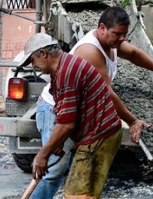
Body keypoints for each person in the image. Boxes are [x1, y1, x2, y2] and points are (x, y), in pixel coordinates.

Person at [30, 6, 153, 199]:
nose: (122, 39)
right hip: (55, 109)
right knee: (51, 170)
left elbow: (134, 54)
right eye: (118, 34)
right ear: (102, 28)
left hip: (74, 109)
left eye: (124, 35)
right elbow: (106, 93)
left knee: (68, 170)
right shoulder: (90, 51)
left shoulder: (112, 43)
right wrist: (133, 120)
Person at [23, 32, 121, 199]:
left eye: (33, 61)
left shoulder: (66, 73)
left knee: (77, 195)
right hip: (100, 134)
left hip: (98, 137)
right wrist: (57, 142)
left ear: (44, 54)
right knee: (84, 194)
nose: (34, 66)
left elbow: (66, 124)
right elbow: (65, 114)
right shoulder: (62, 69)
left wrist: (42, 155)